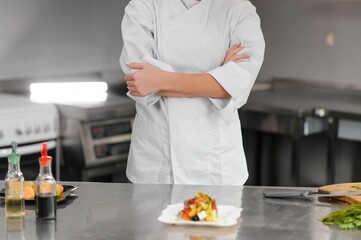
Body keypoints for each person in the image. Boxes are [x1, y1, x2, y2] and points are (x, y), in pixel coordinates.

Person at [120, 0, 265, 185]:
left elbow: (233, 86)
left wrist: (160, 80)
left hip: (216, 168)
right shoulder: (143, 6)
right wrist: (217, 76)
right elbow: (140, 82)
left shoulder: (240, 10)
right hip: (158, 163)